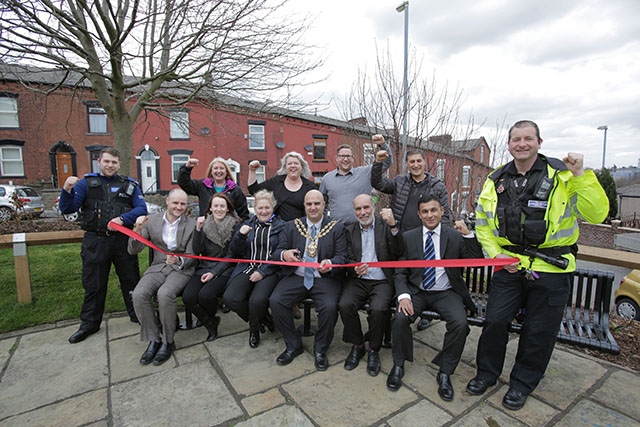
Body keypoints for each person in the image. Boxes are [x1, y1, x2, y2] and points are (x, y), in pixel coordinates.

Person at [466, 120, 608, 410]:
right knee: (494, 321)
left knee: (538, 331)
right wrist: (497, 257)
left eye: (528, 138)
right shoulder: (495, 180)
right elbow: (483, 224)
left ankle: (522, 384)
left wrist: (581, 175)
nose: (521, 144)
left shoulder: (562, 175)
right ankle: (486, 373)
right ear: (508, 145)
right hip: (509, 265)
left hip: (551, 268)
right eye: (516, 139)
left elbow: (596, 213)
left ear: (539, 142)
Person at [386, 194, 483, 402]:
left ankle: (445, 371)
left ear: (441, 212)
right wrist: (403, 295)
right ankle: (398, 364)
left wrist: (468, 235)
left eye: (433, 210)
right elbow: (400, 271)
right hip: (417, 291)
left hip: (446, 292)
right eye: (425, 212)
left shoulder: (453, 236)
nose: (430, 215)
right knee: (400, 318)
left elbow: (476, 262)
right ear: (419, 215)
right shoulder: (409, 237)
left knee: (459, 323)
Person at [59, 147, 148, 344]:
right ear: (99, 162)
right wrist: (66, 189)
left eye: (114, 162)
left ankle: (138, 315)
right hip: (95, 241)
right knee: (94, 284)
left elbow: (142, 208)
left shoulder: (129, 185)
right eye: (107, 161)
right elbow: (68, 208)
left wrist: (123, 218)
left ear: (119, 164)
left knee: (131, 280)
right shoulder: (86, 184)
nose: (110, 165)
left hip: (122, 241)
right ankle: (89, 324)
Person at [372, 148, 453, 331]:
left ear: (424, 162)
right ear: (407, 165)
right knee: (399, 275)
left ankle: (426, 314)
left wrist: (442, 240)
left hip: (426, 240)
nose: (415, 165)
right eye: (411, 162)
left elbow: (445, 215)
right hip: (400, 237)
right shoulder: (400, 181)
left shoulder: (437, 186)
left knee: (424, 277)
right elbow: (378, 183)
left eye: (418, 161)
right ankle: (398, 308)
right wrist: (378, 163)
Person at [270, 189, 347, 371]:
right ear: (304, 206)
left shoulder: (336, 227)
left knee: (329, 307)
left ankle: (320, 349)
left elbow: (342, 256)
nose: (313, 207)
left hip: (324, 279)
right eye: (309, 204)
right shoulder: (291, 226)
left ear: (324, 205)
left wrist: (330, 262)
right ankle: (293, 344)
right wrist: (284, 254)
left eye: (317, 203)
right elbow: (276, 252)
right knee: (276, 301)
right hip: (297, 275)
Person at [128, 189, 197, 366]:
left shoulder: (192, 224)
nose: (179, 207)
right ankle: (154, 339)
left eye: (182, 204)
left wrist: (179, 259)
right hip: (158, 267)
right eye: (175, 203)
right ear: (167, 201)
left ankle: (168, 341)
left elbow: (192, 254)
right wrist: (137, 229)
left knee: (165, 294)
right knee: (139, 294)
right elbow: (133, 250)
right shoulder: (152, 221)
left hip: (181, 269)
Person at [339, 194, 402, 377]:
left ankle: (373, 349)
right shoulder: (349, 229)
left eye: (366, 207)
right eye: (358, 209)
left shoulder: (385, 226)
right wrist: (354, 268)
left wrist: (393, 226)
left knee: (378, 308)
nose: (363, 212)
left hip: (382, 280)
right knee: (344, 304)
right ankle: (358, 344)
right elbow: (346, 258)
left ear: (373, 208)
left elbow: (399, 251)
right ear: (354, 211)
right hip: (358, 280)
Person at [222, 190, 286, 348]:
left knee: (256, 301)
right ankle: (262, 319)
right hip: (248, 266)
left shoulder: (282, 226)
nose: (263, 211)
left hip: (270, 269)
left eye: (267, 208)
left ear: (273, 208)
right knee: (230, 299)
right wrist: (240, 236)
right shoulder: (247, 224)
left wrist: (262, 272)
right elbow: (236, 252)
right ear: (255, 209)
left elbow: (280, 254)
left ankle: (254, 330)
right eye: (260, 208)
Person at [182, 193, 241, 342]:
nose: (219, 209)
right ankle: (210, 321)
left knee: (206, 295)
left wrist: (214, 273)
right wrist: (198, 230)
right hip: (204, 267)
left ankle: (210, 326)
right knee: (188, 297)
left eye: (222, 206)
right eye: (216, 206)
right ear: (210, 208)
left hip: (225, 269)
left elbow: (231, 256)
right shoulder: (205, 224)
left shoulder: (235, 225)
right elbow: (197, 250)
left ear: (228, 209)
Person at [319, 134, 392, 223]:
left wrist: (383, 145)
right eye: (342, 156)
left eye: (348, 156)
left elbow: (386, 162)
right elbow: (322, 203)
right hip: (337, 228)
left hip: (361, 227)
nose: (345, 159)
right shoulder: (327, 179)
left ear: (353, 158)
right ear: (337, 158)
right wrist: (324, 222)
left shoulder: (365, 173)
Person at [248, 152, 317, 221]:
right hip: (278, 228)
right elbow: (254, 190)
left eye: (296, 163)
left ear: (302, 166)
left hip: (300, 228)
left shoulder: (309, 187)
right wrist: (252, 171)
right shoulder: (276, 182)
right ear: (285, 167)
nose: (293, 166)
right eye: (289, 164)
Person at [178, 157, 250, 221]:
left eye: (221, 168)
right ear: (211, 171)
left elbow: (244, 215)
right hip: (206, 228)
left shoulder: (235, 190)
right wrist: (187, 168)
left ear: (226, 172)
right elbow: (184, 184)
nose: (218, 171)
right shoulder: (202, 186)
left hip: (228, 230)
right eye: (215, 168)